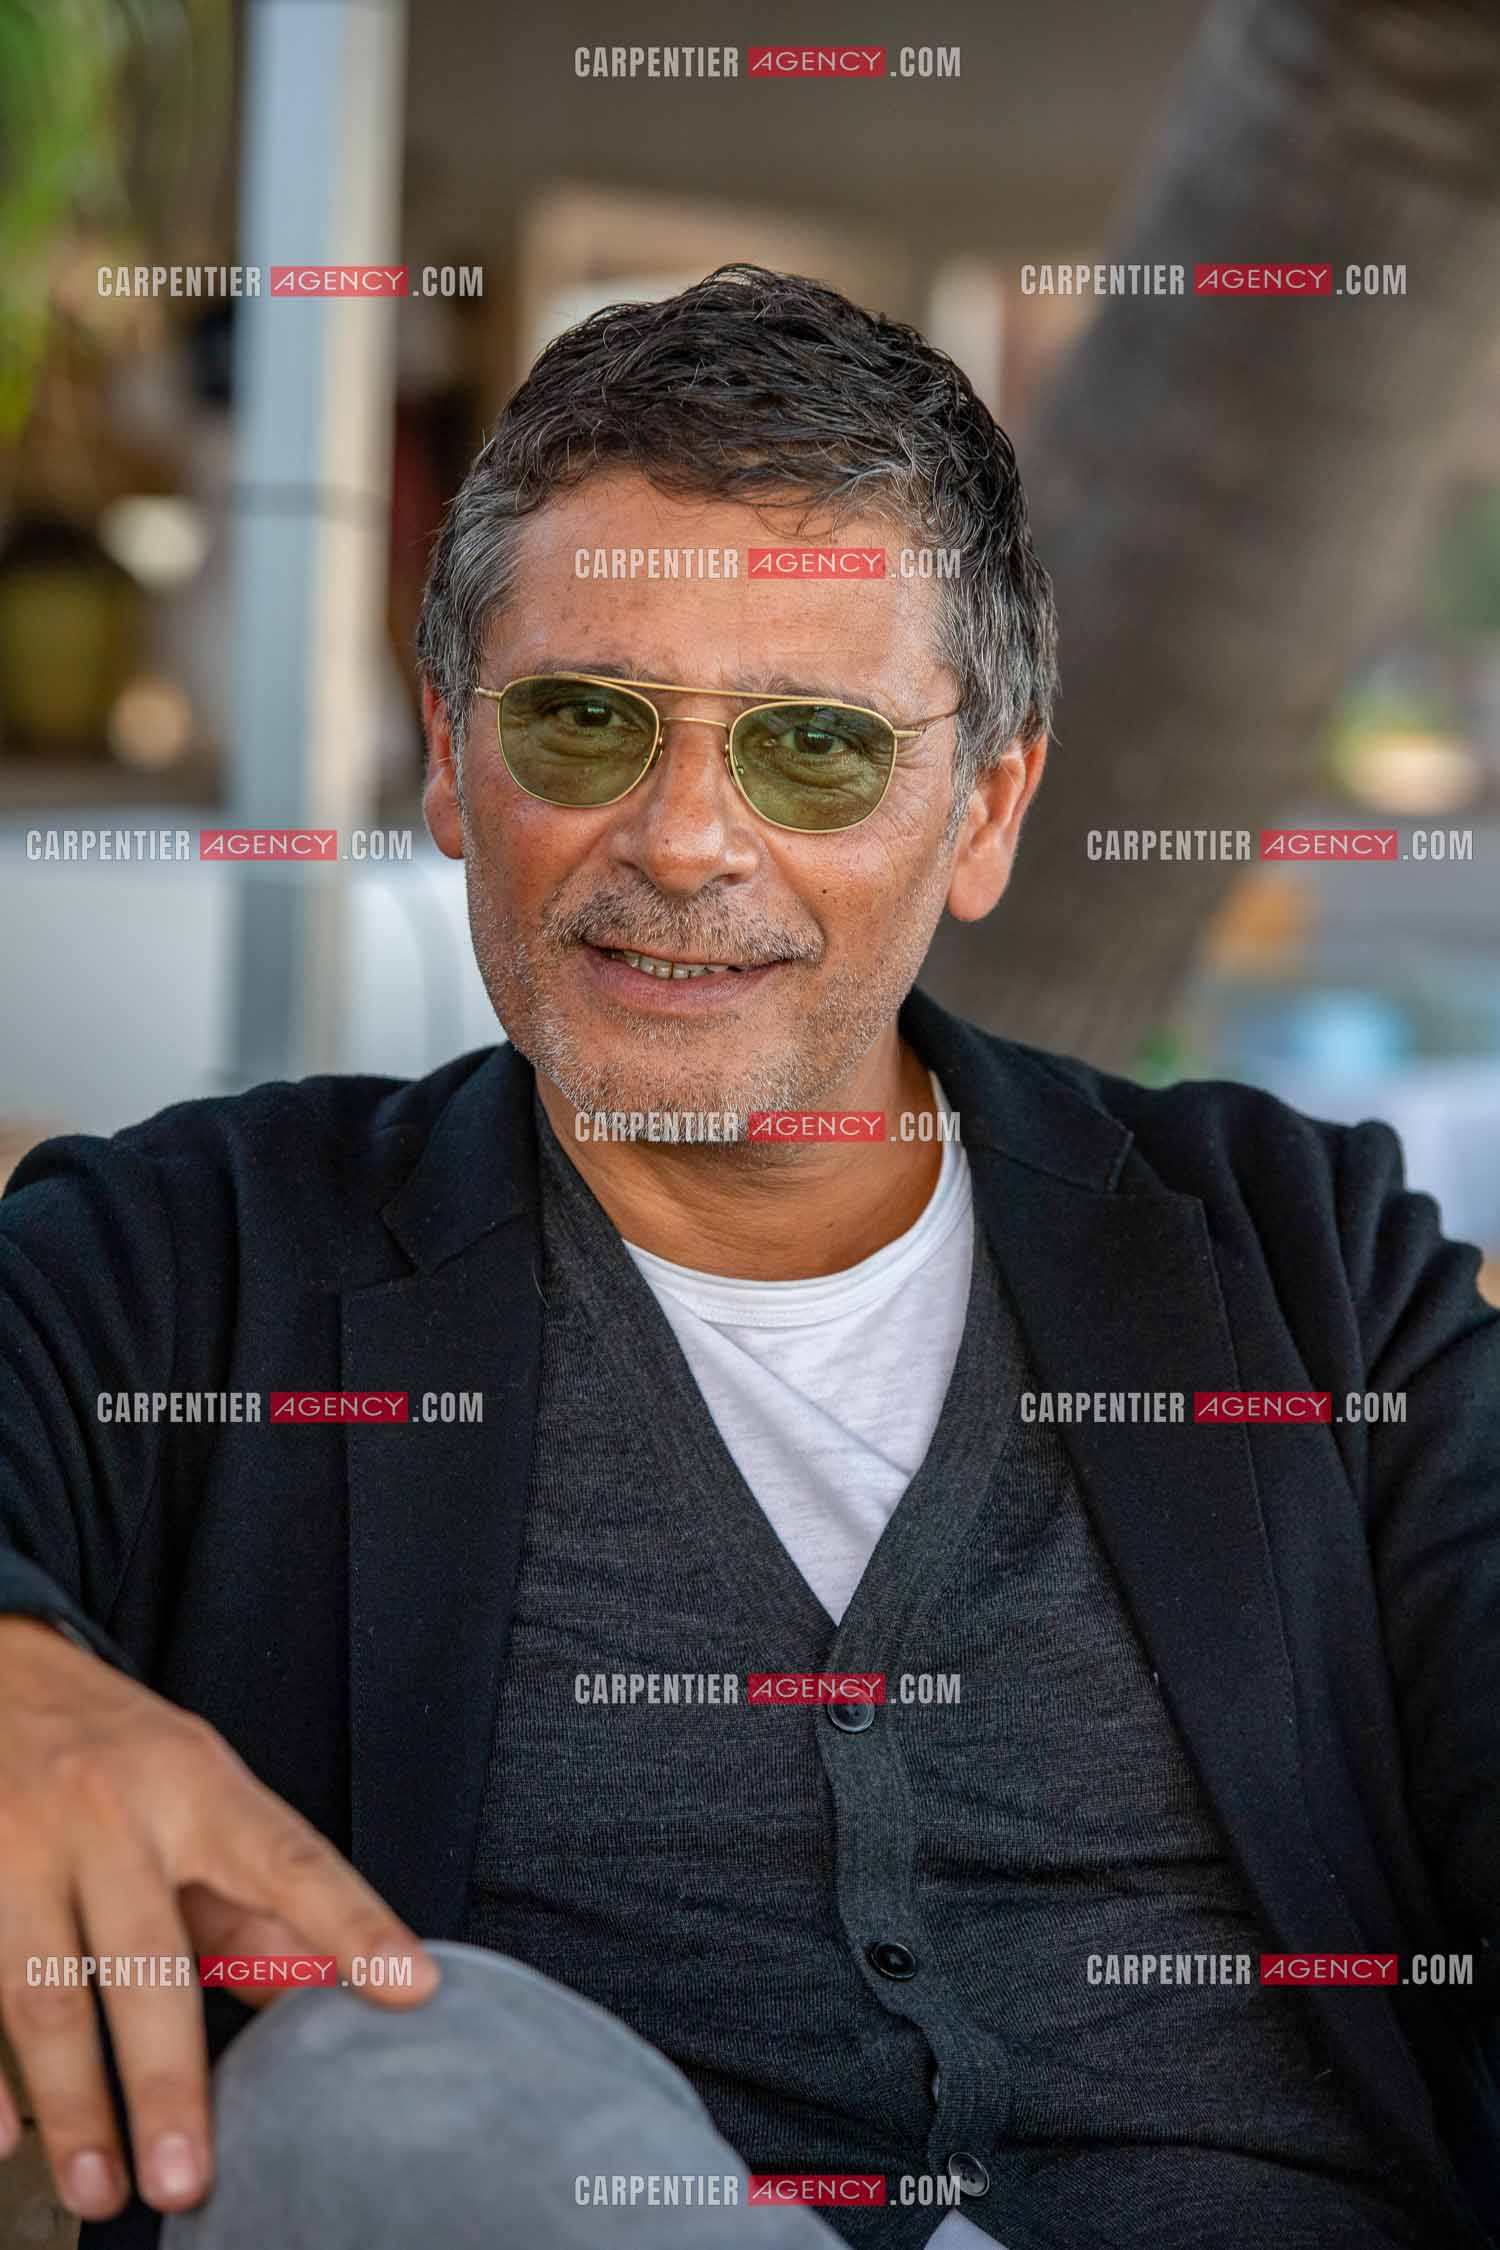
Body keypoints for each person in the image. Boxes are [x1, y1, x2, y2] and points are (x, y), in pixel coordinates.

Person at [0, 265, 1496, 2250]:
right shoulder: (190, 1268)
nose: (689, 837)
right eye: (587, 721)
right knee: (367, 2097)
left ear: (986, 808)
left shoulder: (1304, 1265)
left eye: (810, 749)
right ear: (452, 759)